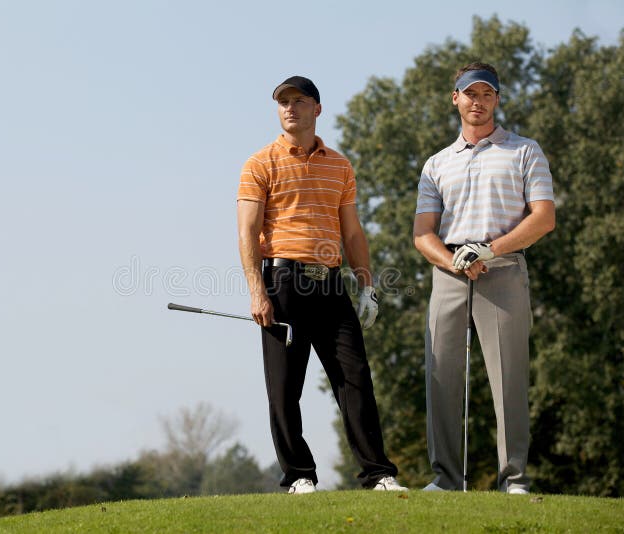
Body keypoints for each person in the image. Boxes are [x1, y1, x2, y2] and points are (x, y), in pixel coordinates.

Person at [237, 76, 404, 494]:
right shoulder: (259, 163)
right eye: (283, 102)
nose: (290, 108)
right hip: (283, 282)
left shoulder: (340, 165)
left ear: (317, 108)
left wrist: (366, 286)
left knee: (355, 379)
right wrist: (257, 291)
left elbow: (352, 234)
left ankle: (378, 473)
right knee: (284, 387)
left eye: (299, 101)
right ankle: (299, 476)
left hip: (331, 285)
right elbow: (247, 232)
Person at [413, 62, 556, 494]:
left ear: (497, 99)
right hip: (450, 274)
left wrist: (491, 249)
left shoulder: (525, 151)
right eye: (469, 94)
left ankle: (513, 479)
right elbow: (423, 234)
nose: (478, 102)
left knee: (508, 378)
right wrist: (454, 259)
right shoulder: (437, 164)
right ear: (454, 98)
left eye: (486, 94)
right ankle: (445, 478)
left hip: (503, 269)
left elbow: (544, 219)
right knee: (441, 378)